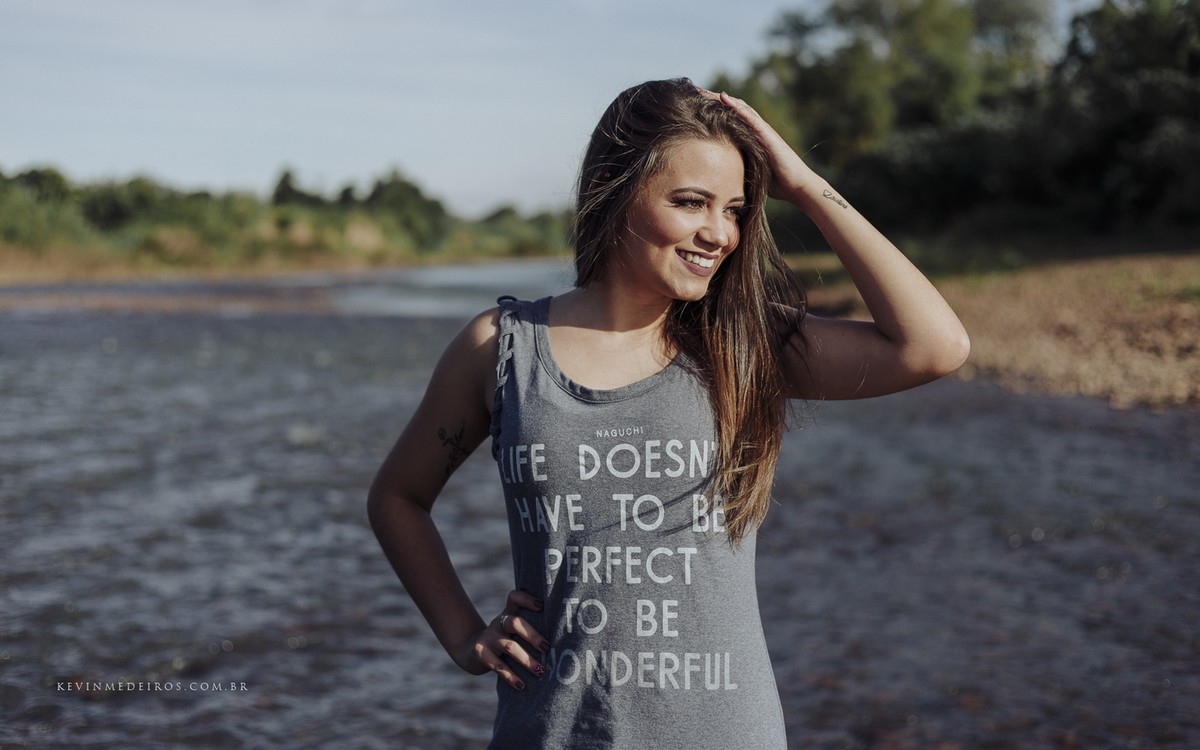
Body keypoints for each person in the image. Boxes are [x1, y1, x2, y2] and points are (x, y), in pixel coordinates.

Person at [368, 77, 969, 748]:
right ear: (616, 190)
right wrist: (462, 635)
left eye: (736, 209)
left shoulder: (740, 344)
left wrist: (801, 184)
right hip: (553, 731)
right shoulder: (502, 349)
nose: (719, 233)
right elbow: (398, 498)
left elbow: (935, 347)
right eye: (691, 202)